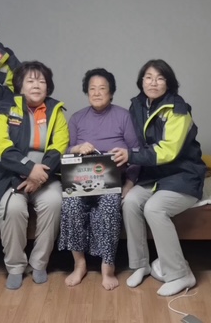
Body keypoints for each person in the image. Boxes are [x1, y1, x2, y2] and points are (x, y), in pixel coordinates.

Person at [110, 59, 205, 297]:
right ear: (141, 81)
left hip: (183, 175)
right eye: (148, 77)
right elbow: (132, 141)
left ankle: (180, 274)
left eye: (160, 78)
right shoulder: (137, 105)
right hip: (153, 176)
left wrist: (131, 155)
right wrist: (128, 175)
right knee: (130, 202)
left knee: (154, 208)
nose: (153, 82)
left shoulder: (178, 110)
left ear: (168, 83)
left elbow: (168, 151)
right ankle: (140, 265)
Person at [0, 61, 69, 290]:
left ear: (48, 87)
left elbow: (60, 145)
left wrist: (39, 174)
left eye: (41, 81)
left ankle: (39, 263)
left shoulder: (55, 110)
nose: (36, 85)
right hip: (9, 175)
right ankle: (15, 266)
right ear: (20, 86)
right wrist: (29, 168)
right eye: (30, 81)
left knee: (54, 202)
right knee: (13, 209)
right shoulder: (5, 106)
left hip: (46, 175)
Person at [57, 68, 140, 291]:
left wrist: (129, 183)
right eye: (92, 88)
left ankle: (107, 266)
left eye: (102, 88)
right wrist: (77, 148)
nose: (96, 92)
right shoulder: (77, 118)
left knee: (110, 206)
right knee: (71, 205)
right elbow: (64, 152)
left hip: (112, 181)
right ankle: (79, 264)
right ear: (87, 92)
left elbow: (136, 152)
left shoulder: (123, 116)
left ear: (111, 93)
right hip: (81, 180)